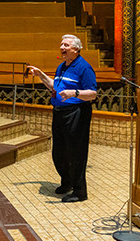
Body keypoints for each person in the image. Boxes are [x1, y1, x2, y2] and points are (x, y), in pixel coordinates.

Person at [26, 35, 97, 203]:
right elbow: (55, 87)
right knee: (59, 152)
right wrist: (41, 75)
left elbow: (93, 94)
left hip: (76, 112)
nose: (62, 47)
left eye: (66, 45)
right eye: (61, 45)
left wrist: (75, 93)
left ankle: (80, 191)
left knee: (76, 152)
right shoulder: (61, 67)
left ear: (76, 49)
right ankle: (68, 182)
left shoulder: (84, 68)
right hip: (59, 112)